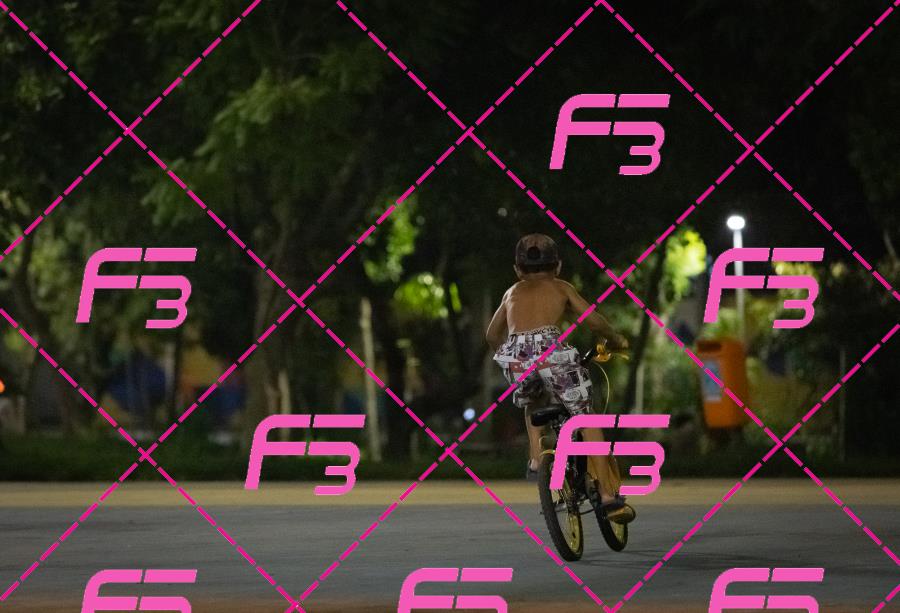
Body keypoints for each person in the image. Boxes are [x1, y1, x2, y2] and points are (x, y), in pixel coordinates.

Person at [485, 233, 633, 521]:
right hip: (551, 353)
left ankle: (535, 458)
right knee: (585, 418)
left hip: (515, 355)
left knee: (532, 399)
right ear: (558, 266)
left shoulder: (511, 292)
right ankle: (607, 496)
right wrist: (614, 338)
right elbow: (593, 321)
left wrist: (512, 357)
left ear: (517, 269)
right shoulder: (561, 287)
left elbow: (492, 335)